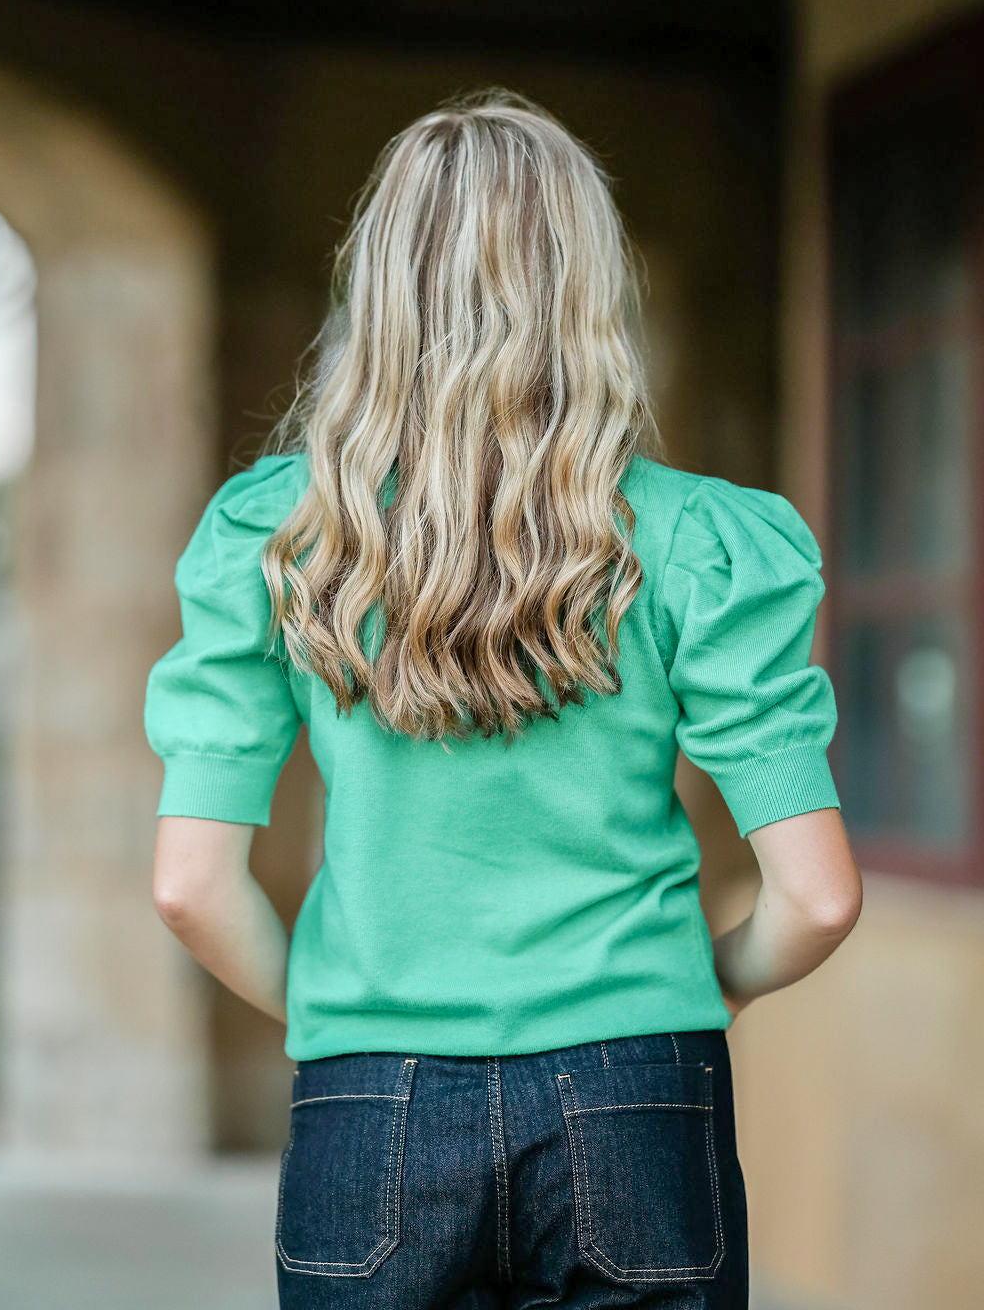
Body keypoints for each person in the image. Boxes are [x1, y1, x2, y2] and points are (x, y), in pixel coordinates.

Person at [143, 87, 862, 1309]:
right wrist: (702, 987)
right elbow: (820, 896)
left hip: (368, 1094)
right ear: (587, 291)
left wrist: (336, 1015)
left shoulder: (273, 540)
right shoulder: (701, 544)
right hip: (640, 1083)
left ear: (375, 288)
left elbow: (189, 885)